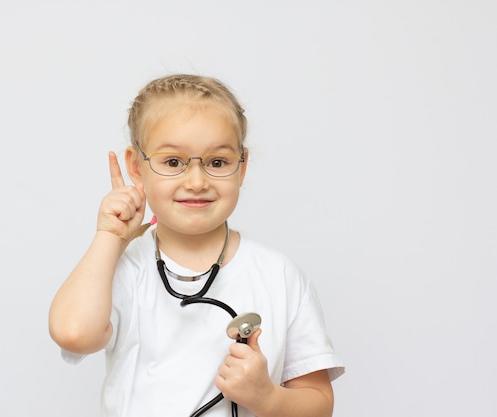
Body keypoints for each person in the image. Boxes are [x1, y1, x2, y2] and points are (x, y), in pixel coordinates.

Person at [48, 74, 344, 417]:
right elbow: (73, 334)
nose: (197, 181)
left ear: (241, 167)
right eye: (173, 162)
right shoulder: (122, 267)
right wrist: (110, 237)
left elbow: (319, 405)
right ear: (137, 168)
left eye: (217, 162)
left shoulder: (279, 276)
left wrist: (266, 397)